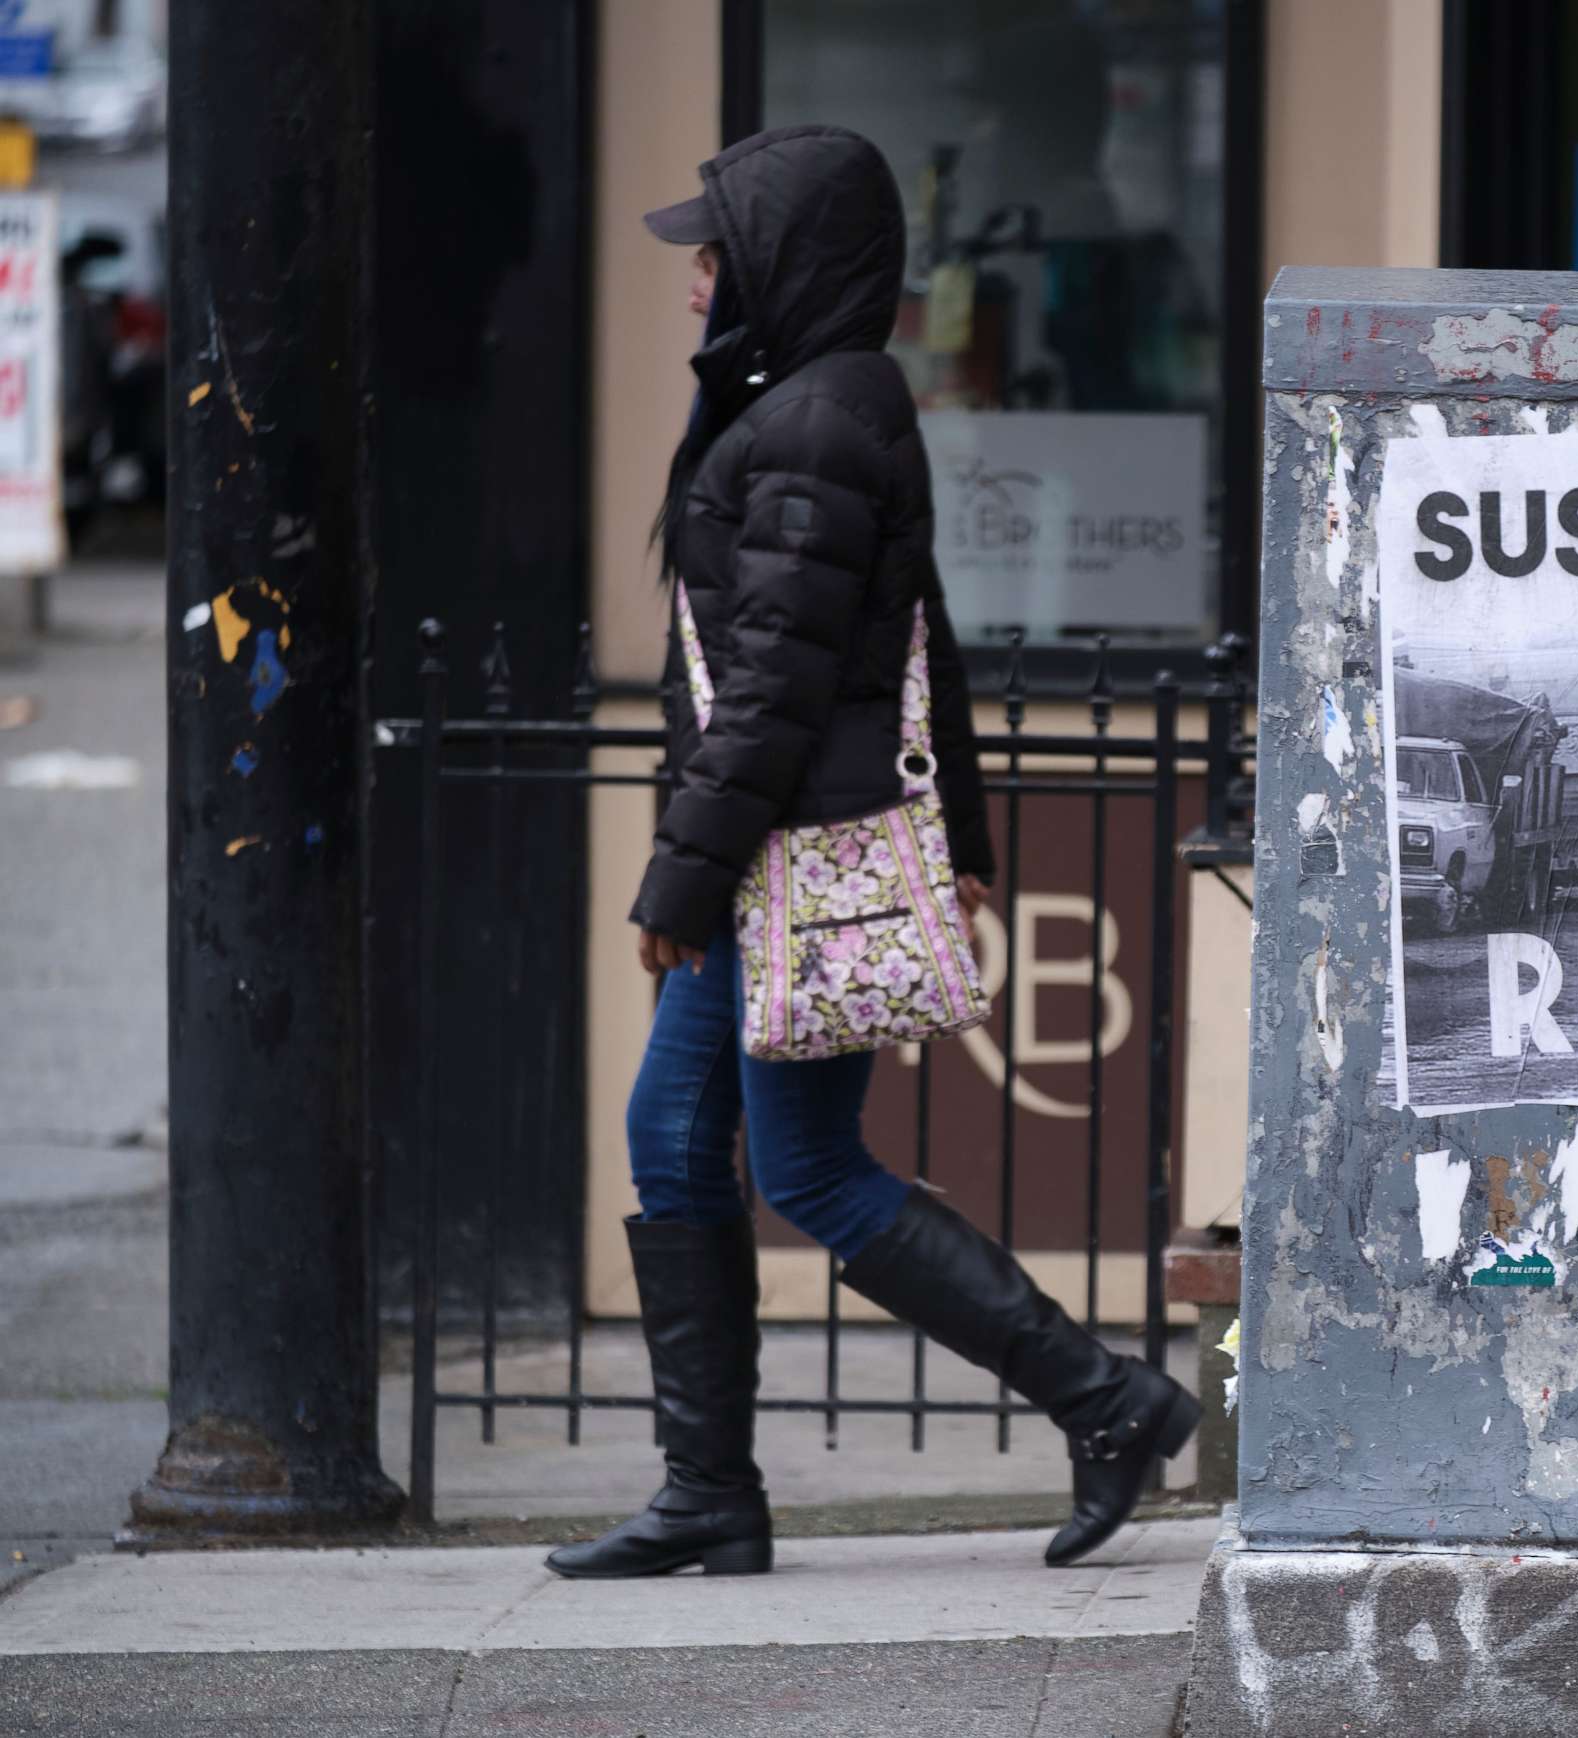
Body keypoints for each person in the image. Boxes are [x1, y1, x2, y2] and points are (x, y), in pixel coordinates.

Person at [545, 125, 1197, 1581]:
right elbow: (919, 641)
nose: (691, 283)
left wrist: (683, 881)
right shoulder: (800, 403)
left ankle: (1107, 1401)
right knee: (677, 1135)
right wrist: (960, 834)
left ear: (780, 258)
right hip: (778, 854)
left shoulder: (820, 416)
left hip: (787, 865)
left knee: (811, 1169)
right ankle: (710, 1487)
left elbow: (780, 684)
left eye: (710, 254)